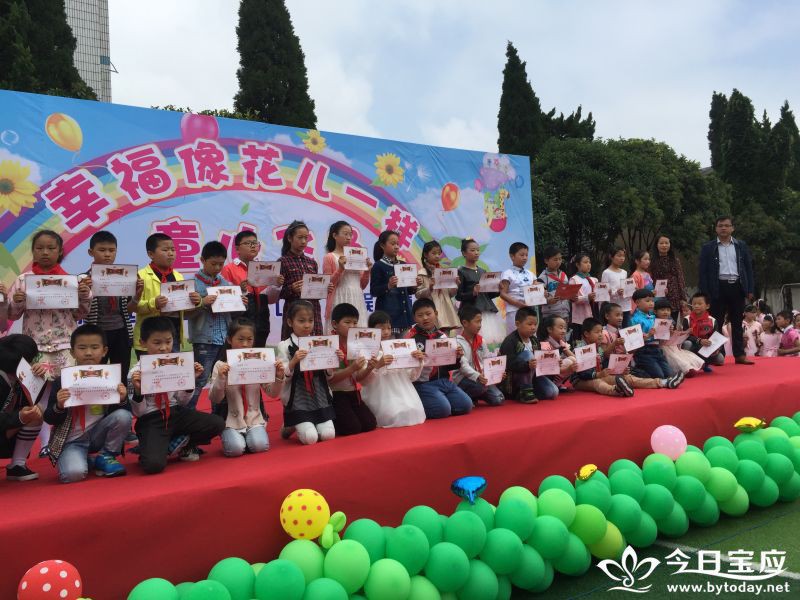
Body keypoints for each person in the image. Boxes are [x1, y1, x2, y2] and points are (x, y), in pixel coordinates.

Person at [8, 230, 92, 456]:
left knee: (67, 392)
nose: (45, 252)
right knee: (40, 396)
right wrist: (17, 301)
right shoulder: (23, 281)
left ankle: (69, 440)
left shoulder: (72, 281)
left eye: (51, 248)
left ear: (60, 251)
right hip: (35, 347)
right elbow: (13, 315)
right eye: (40, 248)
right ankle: (45, 444)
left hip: (65, 345)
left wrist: (84, 295)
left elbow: (80, 314)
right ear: (33, 251)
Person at [129, 317, 224, 473]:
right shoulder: (135, 373)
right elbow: (138, 413)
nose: (163, 348)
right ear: (143, 343)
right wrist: (138, 392)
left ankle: (180, 443)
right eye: (157, 343)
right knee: (153, 465)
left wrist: (190, 381)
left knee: (217, 423)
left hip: (175, 413)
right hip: (151, 419)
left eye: (168, 342)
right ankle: (159, 445)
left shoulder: (178, 365)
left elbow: (182, 401)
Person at [44, 324, 131, 483]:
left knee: (123, 416)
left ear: (104, 351)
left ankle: (106, 456)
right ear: (72, 352)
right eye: (82, 348)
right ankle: (88, 461)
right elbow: (49, 418)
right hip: (72, 440)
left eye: (94, 347)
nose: (89, 353)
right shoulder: (63, 380)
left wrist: (123, 398)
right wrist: (59, 406)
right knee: (73, 474)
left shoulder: (111, 378)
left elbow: (126, 412)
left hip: (98, 434)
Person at [208, 318, 285, 457]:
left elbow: (272, 393)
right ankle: (232, 436)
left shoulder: (260, 362)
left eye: (249, 340)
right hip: (230, 420)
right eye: (240, 339)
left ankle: (248, 437)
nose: (245, 344)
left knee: (260, 445)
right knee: (236, 449)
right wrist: (221, 377)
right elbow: (215, 398)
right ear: (229, 340)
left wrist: (279, 377)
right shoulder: (220, 365)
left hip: (254, 418)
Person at [188, 241, 245, 411]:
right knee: (199, 379)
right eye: (213, 264)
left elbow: (234, 312)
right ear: (202, 260)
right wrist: (202, 303)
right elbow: (185, 314)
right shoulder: (193, 284)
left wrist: (241, 303)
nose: (217, 268)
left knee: (221, 378)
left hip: (224, 338)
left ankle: (218, 416)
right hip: (204, 339)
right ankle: (187, 415)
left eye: (221, 264)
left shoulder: (225, 283)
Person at [83, 230, 143, 384]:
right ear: (91, 252)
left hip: (121, 333)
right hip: (95, 334)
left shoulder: (124, 278)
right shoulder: (83, 279)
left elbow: (129, 309)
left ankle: (121, 400)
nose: (107, 255)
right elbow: (79, 313)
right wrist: (85, 293)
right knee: (95, 377)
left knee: (121, 377)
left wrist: (137, 295)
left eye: (111, 250)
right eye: (102, 250)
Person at [275, 300, 336, 445]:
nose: (307, 325)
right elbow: (283, 377)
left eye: (310, 320)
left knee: (328, 435)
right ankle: (291, 424)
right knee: (310, 438)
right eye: (301, 321)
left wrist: (332, 361)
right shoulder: (284, 345)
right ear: (290, 322)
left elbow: (329, 376)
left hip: (319, 394)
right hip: (298, 396)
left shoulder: (320, 342)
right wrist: (293, 361)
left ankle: (296, 423)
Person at [571, 318, 681, 396]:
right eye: (597, 332)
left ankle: (664, 382)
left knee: (627, 377)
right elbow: (583, 374)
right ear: (586, 334)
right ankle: (617, 390)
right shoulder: (580, 348)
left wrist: (618, 369)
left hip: (598, 375)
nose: (600, 335)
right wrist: (599, 374)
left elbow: (603, 364)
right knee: (598, 384)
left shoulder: (598, 347)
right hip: (581, 380)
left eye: (601, 331)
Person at [698, 216, 755, 365]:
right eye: (720, 225)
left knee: (737, 321)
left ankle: (739, 354)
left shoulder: (741, 245)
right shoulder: (708, 247)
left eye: (727, 225)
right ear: (716, 228)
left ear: (732, 228)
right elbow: (702, 272)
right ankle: (718, 354)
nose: (723, 228)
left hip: (737, 286)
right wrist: (704, 293)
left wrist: (750, 288)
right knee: (716, 322)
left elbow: (748, 268)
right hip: (717, 287)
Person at [134, 233, 201, 356]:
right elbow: (133, 307)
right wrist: (154, 303)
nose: (170, 253)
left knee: (171, 368)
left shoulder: (178, 276)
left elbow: (184, 309)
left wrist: (196, 302)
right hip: (151, 338)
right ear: (151, 254)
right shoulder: (141, 276)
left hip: (172, 337)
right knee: (150, 368)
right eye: (165, 250)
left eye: (173, 250)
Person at [407, 298, 472, 419]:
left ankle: (440, 400)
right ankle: (428, 402)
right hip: (423, 384)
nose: (425, 318)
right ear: (414, 318)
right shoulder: (410, 338)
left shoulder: (442, 336)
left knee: (466, 405)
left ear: (436, 314)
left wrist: (457, 357)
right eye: (420, 315)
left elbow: (450, 366)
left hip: (444, 381)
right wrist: (416, 360)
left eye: (428, 314)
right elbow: (407, 369)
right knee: (442, 410)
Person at [359, 311, 426, 428]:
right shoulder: (366, 351)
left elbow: (411, 376)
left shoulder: (397, 346)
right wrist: (377, 365)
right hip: (380, 393)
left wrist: (418, 361)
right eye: (381, 329)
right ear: (371, 330)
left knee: (415, 411)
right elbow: (363, 381)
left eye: (388, 328)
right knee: (395, 415)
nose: (386, 332)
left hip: (403, 391)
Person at [220, 230, 282, 347]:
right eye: (248, 243)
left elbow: (270, 300)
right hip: (240, 326)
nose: (253, 246)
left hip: (262, 324)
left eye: (255, 243)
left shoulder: (264, 268)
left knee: (258, 356)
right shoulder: (229, 269)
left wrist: (276, 284)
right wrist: (240, 291)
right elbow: (224, 301)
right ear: (237, 249)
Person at [328, 303, 377, 436]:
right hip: (335, 394)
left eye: (355, 323)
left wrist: (369, 368)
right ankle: (324, 419)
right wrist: (352, 368)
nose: (352, 326)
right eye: (347, 322)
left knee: (370, 424)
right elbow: (330, 380)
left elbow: (358, 377)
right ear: (334, 324)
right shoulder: (329, 345)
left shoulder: (356, 345)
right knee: (352, 428)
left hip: (354, 392)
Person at [0, 334, 44, 481]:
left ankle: (17, 465)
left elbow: (32, 403)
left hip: (5, 433)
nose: (34, 363)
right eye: (32, 359)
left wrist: (37, 379)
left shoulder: (18, 375)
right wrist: (19, 417)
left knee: (36, 412)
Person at [498, 307, 560, 403]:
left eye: (535, 324)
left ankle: (522, 393)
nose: (533, 327)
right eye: (530, 324)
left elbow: (540, 364)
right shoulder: (510, 341)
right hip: (512, 380)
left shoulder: (534, 340)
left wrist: (553, 364)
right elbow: (508, 364)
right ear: (517, 324)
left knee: (553, 392)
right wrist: (527, 365)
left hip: (533, 377)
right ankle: (524, 393)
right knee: (528, 355)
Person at [279, 221, 325, 339]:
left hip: (313, 310)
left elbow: (315, 291)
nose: (304, 241)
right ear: (290, 238)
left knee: (315, 344)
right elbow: (278, 292)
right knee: (292, 345)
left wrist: (324, 289)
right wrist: (292, 289)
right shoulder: (282, 261)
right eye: (300, 237)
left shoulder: (312, 262)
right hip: (294, 312)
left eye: (306, 238)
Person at [453, 304, 505, 406]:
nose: (480, 325)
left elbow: (487, 360)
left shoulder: (481, 341)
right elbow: (463, 366)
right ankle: (465, 394)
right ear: (465, 323)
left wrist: (496, 374)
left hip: (481, 379)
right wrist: (477, 376)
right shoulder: (457, 342)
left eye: (480, 321)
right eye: (477, 322)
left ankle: (475, 395)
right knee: (480, 387)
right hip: (463, 379)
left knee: (499, 399)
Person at [370, 230, 419, 337]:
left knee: (406, 346)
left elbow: (408, 291)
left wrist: (414, 286)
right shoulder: (378, 266)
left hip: (405, 317)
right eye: (393, 244)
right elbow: (373, 291)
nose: (396, 247)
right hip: (388, 319)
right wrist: (388, 286)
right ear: (382, 245)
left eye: (397, 244)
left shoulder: (403, 264)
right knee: (389, 346)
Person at [323, 221, 371, 329]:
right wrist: (340, 269)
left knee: (358, 332)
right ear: (335, 235)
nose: (349, 238)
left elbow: (362, 285)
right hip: (339, 297)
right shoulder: (329, 257)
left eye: (350, 234)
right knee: (339, 331)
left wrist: (367, 271)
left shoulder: (357, 256)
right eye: (345, 234)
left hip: (357, 297)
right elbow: (328, 284)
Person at [629, 290, 683, 385]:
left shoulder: (654, 317)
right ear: (637, 302)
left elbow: (661, 340)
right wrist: (648, 336)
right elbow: (633, 343)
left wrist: (669, 332)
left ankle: (668, 381)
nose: (651, 303)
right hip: (643, 351)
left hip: (657, 349)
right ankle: (636, 371)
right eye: (647, 301)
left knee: (669, 374)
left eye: (652, 301)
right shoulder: (634, 319)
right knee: (659, 375)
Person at [456, 238, 504, 345]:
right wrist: (472, 293)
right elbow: (459, 296)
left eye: (478, 250)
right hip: (471, 312)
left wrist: (498, 289)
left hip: (485, 311)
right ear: (464, 253)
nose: (476, 253)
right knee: (470, 342)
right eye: (472, 250)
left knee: (484, 343)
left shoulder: (483, 271)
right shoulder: (461, 271)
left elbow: (487, 294)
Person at [416, 240, 459, 331]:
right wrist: (430, 288)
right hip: (431, 310)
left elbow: (450, 294)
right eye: (434, 253)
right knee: (433, 336)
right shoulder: (421, 273)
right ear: (426, 255)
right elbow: (418, 294)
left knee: (445, 336)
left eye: (439, 253)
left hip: (446, 310)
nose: (437, 256)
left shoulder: (443, 271)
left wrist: (455, 285)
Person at [654, 299, 704, 376]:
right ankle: (685, 370)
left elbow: (674, 335)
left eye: (668, 310)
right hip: (662, 347)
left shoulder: (670, 321)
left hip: (673, 345)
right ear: (655, 311)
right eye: (662, 310)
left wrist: (686, 332)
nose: (665, 312)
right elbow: (659, 340)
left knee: (691, 359)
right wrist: (669, 333)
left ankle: (691, 367)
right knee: (677, 360)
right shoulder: (654, 322)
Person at [682, 292, 725, 370]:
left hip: (706, 348)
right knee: (687, 343)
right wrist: (699, 341)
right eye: (694, 304)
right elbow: (685, 336)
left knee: (720, 359)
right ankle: (689, 367)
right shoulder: (687, 319)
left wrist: (717, 348)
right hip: (693, 346)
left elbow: (717, 338)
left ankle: (705, 364)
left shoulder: (712, 320)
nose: (696, 306)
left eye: (699, 304)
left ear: (707, 306)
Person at [649, 235, 687, 321]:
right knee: (659, 321)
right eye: (661, 243)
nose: (664, 245)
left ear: (670, 245)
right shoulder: (652, 262)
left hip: (674, 296)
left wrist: (683, 298)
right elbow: (650, 279)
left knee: (672, 321)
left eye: (666, 243)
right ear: (656, 245)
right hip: (659, 296)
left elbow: (680, 279)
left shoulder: (675, 260)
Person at [500, 242, 535, 332]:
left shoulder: (531, 274)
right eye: (522, 255)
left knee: (530, 334)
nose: (525, 258)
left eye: (526, 255)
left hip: (530, 310)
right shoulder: (507, 273)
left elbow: (537, 290)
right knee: (515, 335)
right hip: (514, 311)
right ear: (512, 256)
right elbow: (503, 294)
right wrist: (518, 304)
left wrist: (543, 293)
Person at [537, 315, 578, 391]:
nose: (564, 331)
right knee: (570, 361)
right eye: (561, 328)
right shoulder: (545, 344)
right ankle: (554, 384)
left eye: (565, 328)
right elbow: (548, 368)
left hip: (556, 371)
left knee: (573, 360)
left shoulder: (560, 342)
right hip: (546, 376)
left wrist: (565, 350)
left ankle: (558, 385)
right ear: (549, 329)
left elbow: (575, 358)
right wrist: (568, 369)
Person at [538, 246, 573, 325]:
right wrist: (548, 301)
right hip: (550, 316)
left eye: (560, 259)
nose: (558, 262)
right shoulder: (542, 278)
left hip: (564, 313)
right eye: (555, 259)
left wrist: (572, 296)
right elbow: (538, 298)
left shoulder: (564, 275)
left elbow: (568, 293)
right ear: (546, 261)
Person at [568, 253, 597, 342]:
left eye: (589, 262)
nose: (588, 264)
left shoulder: (594, 279)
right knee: (580, 342)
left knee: (592, 340)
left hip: (593, 313)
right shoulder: (574, 279)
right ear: (577, 265)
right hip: (580, 317)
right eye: (585, 262)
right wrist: (587, 297)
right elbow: (574, 299)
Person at [601, 247, 629, 322]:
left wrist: (631, 289)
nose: (622, 258)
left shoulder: (624, 272)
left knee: (626, 328)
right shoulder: (606, 273)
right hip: (613, 309)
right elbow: (603, 293)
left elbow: (626, 287)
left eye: (623, 256)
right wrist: (616, 293)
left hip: (626, 306)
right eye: (619, 256)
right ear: (611, 257)